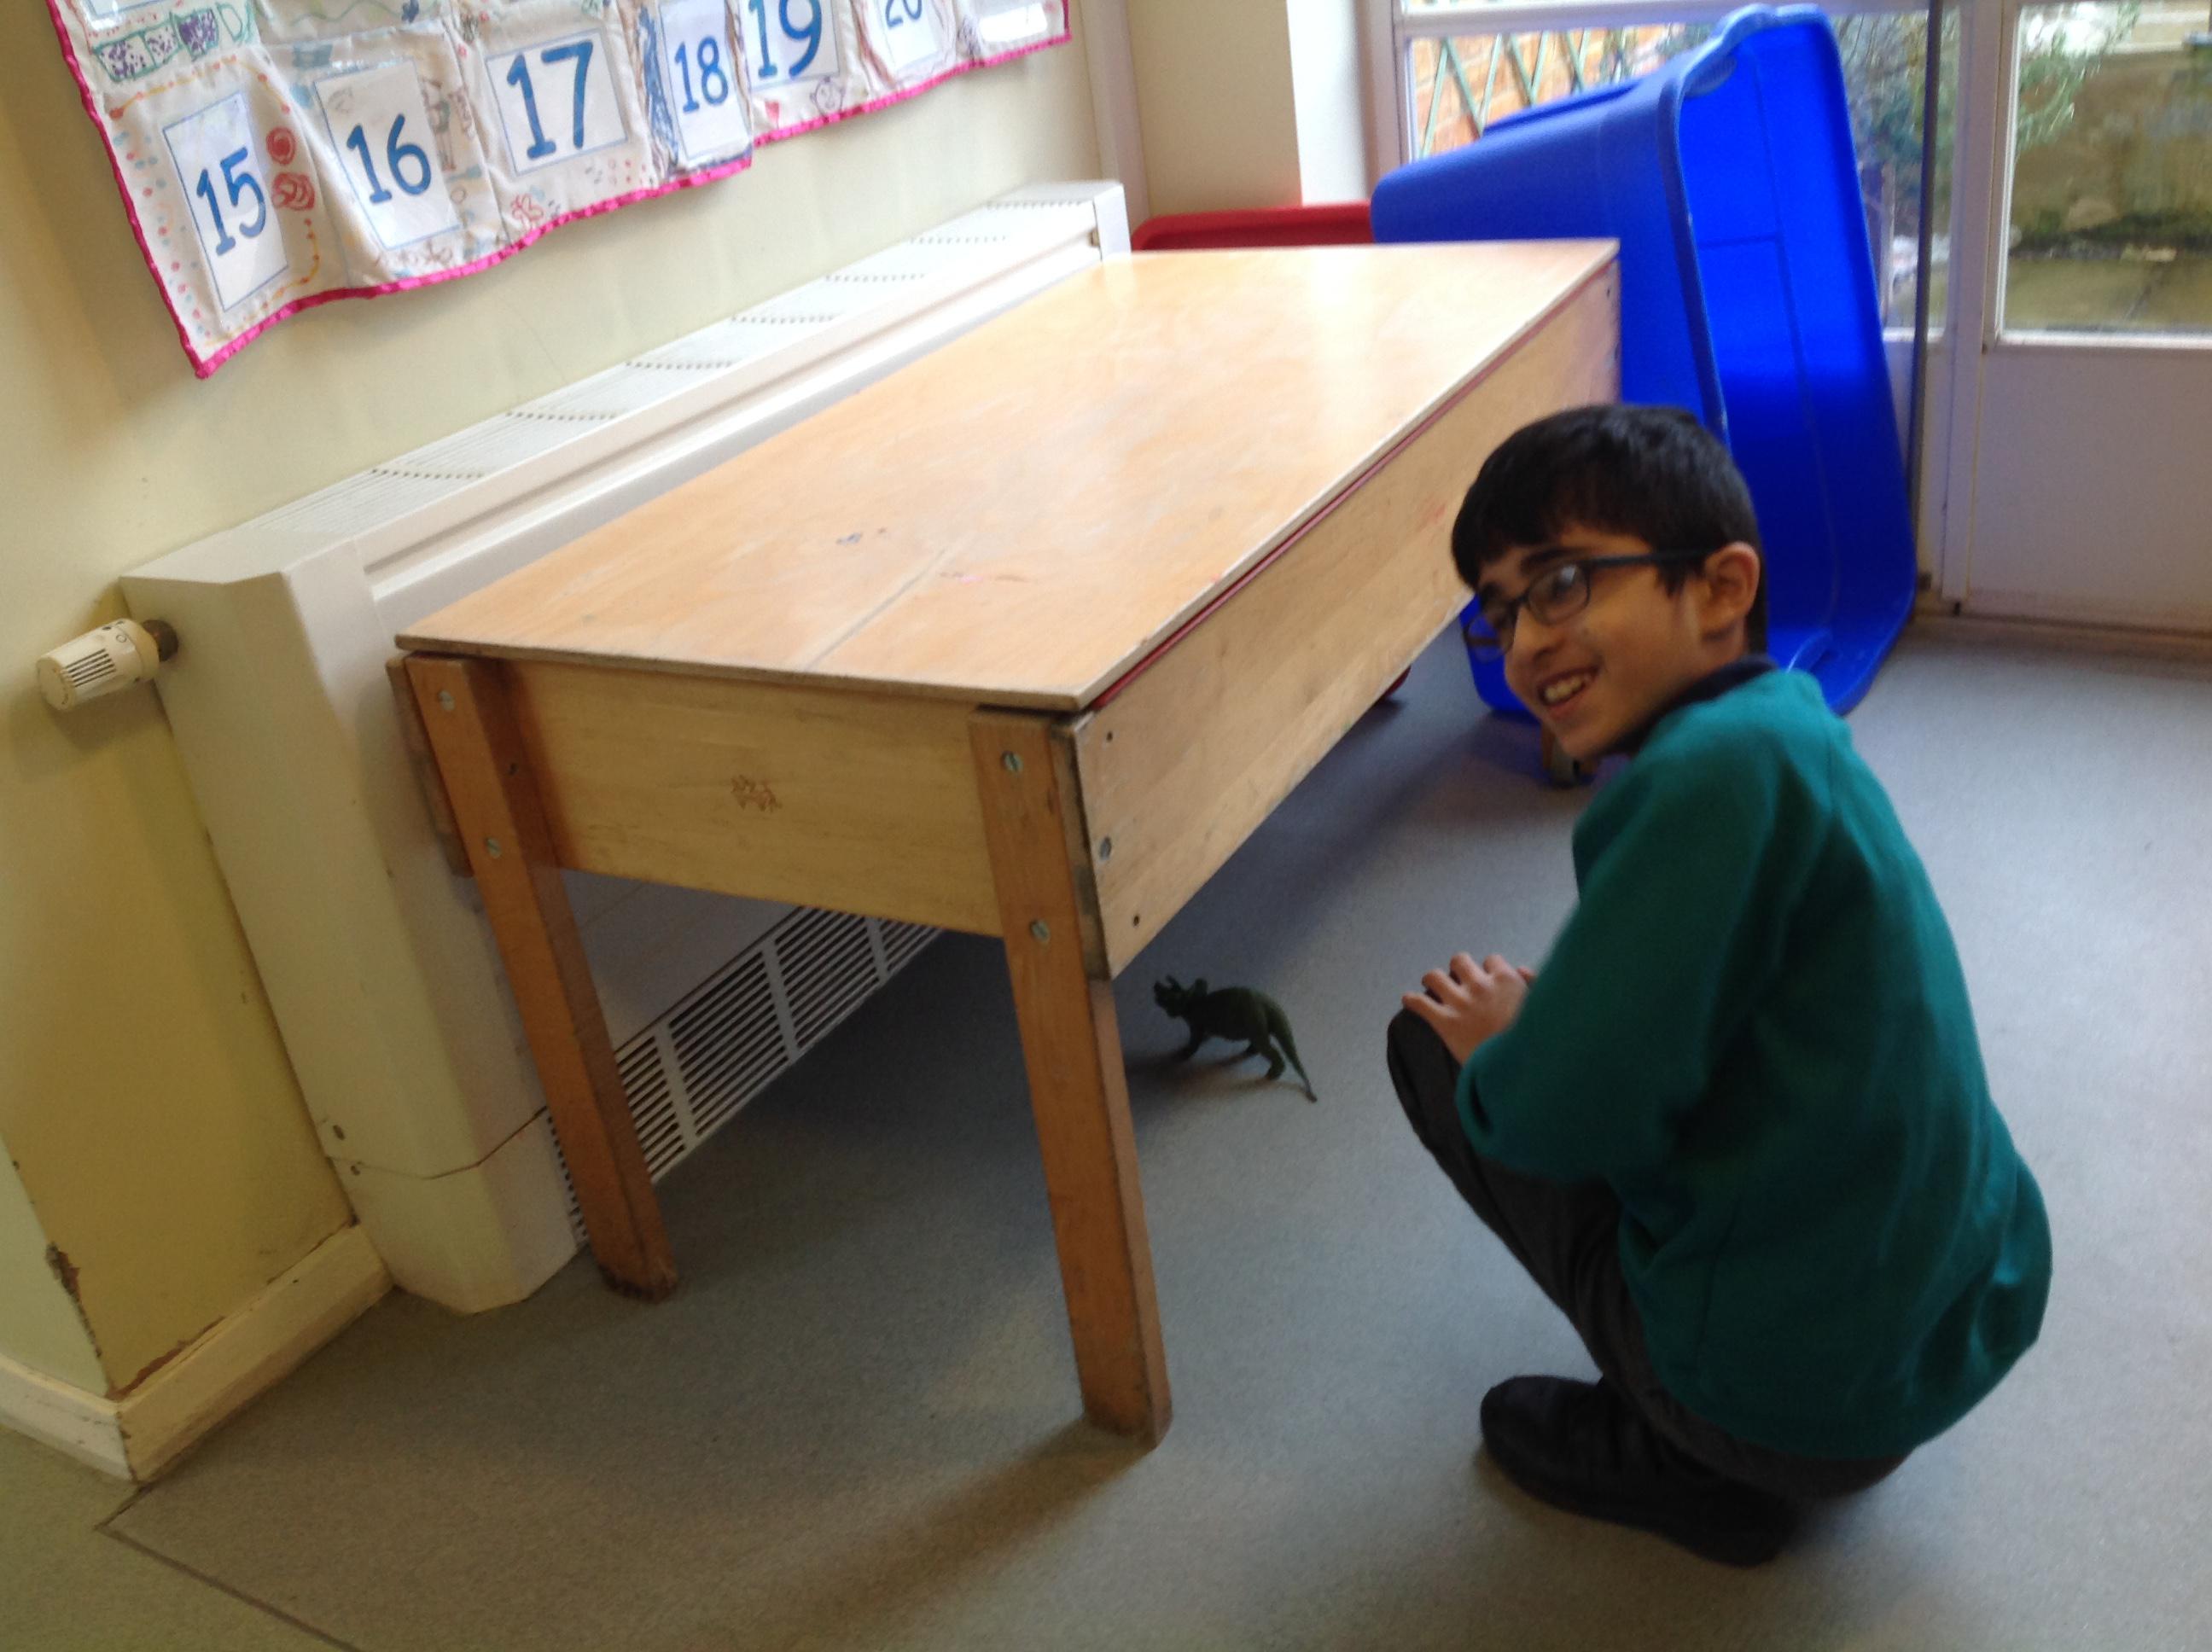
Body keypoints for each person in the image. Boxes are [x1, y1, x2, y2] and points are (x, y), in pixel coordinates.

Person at [1389, 404, 2050, 1566]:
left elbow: (1560, 1114)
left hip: (1794, 1403)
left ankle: (1688, 1455)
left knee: (1434, 1046)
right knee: (1552, 1026)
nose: (1526, 643)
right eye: (1500, 612)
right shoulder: (1789, 728)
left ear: (1720, 587)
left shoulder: (1692, 786)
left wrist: (1503, 1052)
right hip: (1951, 1325)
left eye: (1560, 585)